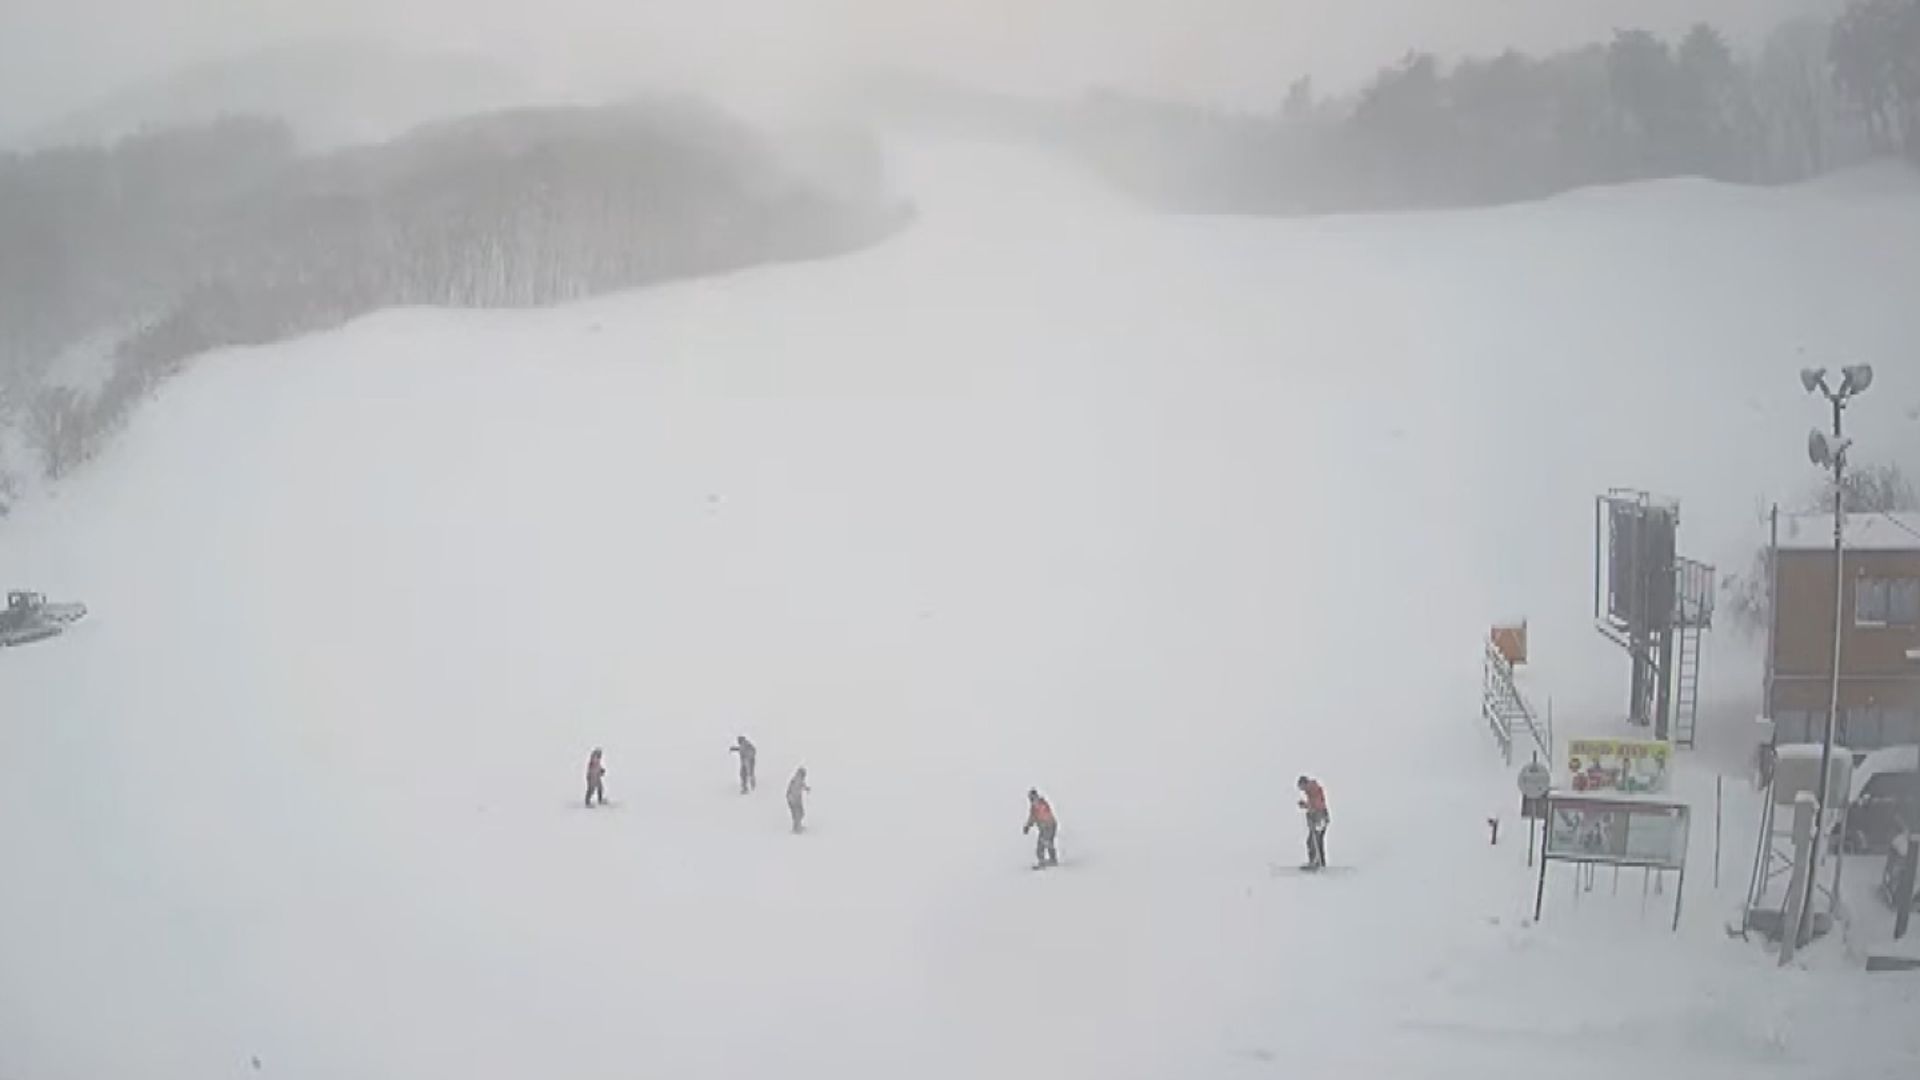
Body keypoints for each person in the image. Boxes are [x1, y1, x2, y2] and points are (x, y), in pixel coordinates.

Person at [1297, 775, 1328, 870]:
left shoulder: (1313, 790)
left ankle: (1316, 862)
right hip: (1320, 817)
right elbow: (1314, 805)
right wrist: (1307, 806)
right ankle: (1320, 862)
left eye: (1301, 787)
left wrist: (1308, 807)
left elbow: (1317, 805)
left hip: (1320, 817)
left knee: (1313, 841)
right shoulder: (1311, 791)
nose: (1302, 790)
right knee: (1316, 841)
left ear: (1304, 784)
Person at [1024, 788, 1059, 868]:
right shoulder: (1034, 807)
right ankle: (1043, 860)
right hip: (1044, 827)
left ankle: (1051, 859)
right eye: (1030, 798)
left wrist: (1044, 824)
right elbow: (1032, 817)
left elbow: (1045, 815)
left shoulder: (1041, 804)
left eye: (1032, 798)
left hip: (1049, 826)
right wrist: (1028, 826)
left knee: (1046, 841)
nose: (1031, 800)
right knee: (1042, 844)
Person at [786, 766, 810, 833]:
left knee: (800, 813)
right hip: (793, 799)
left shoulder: (799, 779)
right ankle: (796, 828)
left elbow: (802, 785)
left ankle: (798, 826)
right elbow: (793, 791)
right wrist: (794, 800)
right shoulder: (797, 780)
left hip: (796, 799)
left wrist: (806, 788)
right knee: (797, 814)